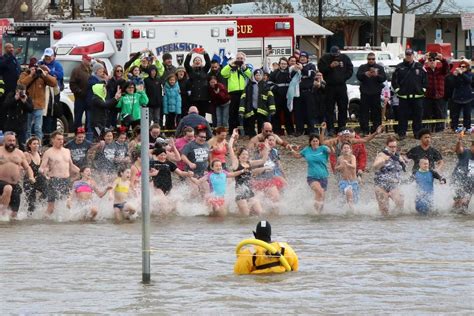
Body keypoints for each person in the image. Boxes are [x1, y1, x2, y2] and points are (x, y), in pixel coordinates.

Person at [228, 128, 270, 216]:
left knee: (259, 212)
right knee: (245, 215)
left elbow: (263, 160)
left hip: (249, 191)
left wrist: (266, 148)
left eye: (246, 154)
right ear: (239, 156)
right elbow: (230, 147)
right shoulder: (236, 163)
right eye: (243, 154)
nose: (245, 156)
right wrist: (233, 136)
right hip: (240, 193)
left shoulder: (249, 163)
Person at [291, 124, 331, 214]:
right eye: (313, 141)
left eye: (316, 141)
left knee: (321, 196)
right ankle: (314, 212)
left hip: (324, 176)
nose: (315, 143)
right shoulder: (306, 150)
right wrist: (291, 149)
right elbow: (297, 156)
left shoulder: (323, 148)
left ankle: (318, 214)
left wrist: (323, 132)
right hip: (312, 177)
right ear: (310, 142)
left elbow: (330, 151)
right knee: (320, 192)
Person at [234, 221, 299, 274]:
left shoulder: (248, 253)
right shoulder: (284, 248)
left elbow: (239, 274)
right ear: (270, 234)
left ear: (255, 235)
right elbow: (294, 268)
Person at [39, 131, 80, 215]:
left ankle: (65, 224)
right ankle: (44, 222)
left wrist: (82, 171)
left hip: (66, 180)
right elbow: (41, 167)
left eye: (62, 139)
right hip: (54, 180)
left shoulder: (67, 151)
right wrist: (44, 172)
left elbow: (71, 166)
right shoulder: (48, 152)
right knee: (51, 208)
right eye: (58, 139)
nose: (61, 141)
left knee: (68, 204)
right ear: (53, 140)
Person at [391, 48, 427, 140]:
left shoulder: (419, 66)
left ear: (413, 55)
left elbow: (425, 79)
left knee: (418, 116)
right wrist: (398, 90)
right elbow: (394, 81)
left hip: (417, 96)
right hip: (403, 97)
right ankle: (402, 134)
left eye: (410, 55)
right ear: (405, 55)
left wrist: (423, 89)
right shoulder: (399, 67)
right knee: (402, 116)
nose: (408, 56)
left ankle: (417, 133)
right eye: (407, 55)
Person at [317, 46, 353, 135]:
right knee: (329, 109)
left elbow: (350, 69)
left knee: (343, 108)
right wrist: (330, 66)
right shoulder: (325, 58)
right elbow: (321, 69)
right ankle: (331, 129)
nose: (335, 57)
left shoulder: (344, 58)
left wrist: (344, 77)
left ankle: (342, 128)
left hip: (341, 86)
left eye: (337, 55)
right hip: (330, 86)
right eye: (334, 55)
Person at [18, 62, 58, 142]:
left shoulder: (41, 75)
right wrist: (30, 75)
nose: (34, 70)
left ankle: (38, 145)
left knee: (38, 128)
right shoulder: (24, 74)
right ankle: (27, 145)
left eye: (35, 68)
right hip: (28, 105)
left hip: (39, 105)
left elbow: (54, 83)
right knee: (27, 128)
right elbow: (21, 84)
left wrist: (45, 74)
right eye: (32, 68)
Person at [0, 132, 35, 218]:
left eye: (13, 141)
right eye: (9, 141)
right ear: (4, 141)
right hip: (1, 182)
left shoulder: (19, 153)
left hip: (15, 184)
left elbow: (27, 168)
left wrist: (31, 176)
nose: (11, 142)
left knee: (14, 214)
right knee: (8, 188)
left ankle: (10, 228)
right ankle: (2, 215)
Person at [150, 147, 193, 215]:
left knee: (171, 205)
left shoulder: (169, 164)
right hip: (157, 186)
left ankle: (160, 217)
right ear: (157, 155)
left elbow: (181, 173)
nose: (163, 156)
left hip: (168, 186)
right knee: (164, 204)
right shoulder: (152, 163)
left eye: (164, 155)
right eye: (161, 155)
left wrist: (188, 173)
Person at [372, 136, 406, 215]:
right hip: (381, 185)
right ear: (387, 146)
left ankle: (394, 219)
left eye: (394, 147)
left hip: (394, 185)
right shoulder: (382, 155)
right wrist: (383, 161)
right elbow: (374, 166)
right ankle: (384, 223)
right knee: (384, 209)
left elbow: (403, 166)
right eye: (391, 147)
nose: (393, 149)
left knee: (400, 201)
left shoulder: (398, 156)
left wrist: (403, 161)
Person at [356, 52, 387, 135]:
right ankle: (364, 130)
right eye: (369, 59)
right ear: (367, 59)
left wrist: (377, 75)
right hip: (365, 94)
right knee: (364, 113)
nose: (371, 61)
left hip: (376, 94)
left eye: (373, 59)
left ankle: (376, 130)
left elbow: (384, 78)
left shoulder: (379, 67)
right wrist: (365, 74)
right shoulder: (363, 67)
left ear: (375, 59)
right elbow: (358, 76)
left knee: (376, 113)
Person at [239, 69, 276, 137]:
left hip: (262, 109)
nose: (258, 77)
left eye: (259, 75)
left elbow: (270, 97)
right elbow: (243, 98)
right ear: (253, 76)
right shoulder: (249, 86)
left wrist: (272, 109)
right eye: (256, 75)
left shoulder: (265, 85)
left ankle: (261, 136)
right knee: (251, 123)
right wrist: (241, 110)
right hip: (251, 108)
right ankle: (252, 137)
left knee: (261, 123)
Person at [221, 52, 252, 131]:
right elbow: (223, 73)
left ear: (244, 60)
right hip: (233, 93)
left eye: (241, 58)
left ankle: (247, 130)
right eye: (238, 58)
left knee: (245, 111)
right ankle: (232, 130)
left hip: (244, 92)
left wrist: (244, 68)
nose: (239, 60)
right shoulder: (231, 68)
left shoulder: (247, 68)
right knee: (233, 112)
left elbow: (251, 75)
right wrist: (231, 65)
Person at [420, 52, 449, 132]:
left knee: (439, 114)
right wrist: (423, 58)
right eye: (430, 60)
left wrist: (442, 59)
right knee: (426, 114)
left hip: (439, 96)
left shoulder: (441, 71)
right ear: (428, 62)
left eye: (434, 60)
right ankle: (426, 130)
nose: (432, 61)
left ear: (436, 62)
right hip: (428, 97)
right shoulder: (425, 71)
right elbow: (417, 67)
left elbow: (447, 67)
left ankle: (439, 130)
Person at [181, 128, 211, 195]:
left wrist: (210, 166)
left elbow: (208, 156)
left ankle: (204, 205)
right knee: (195, 191)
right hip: (191, 173)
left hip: (202, 173)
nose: (203, 138)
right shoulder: (190, 145)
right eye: (201, 137)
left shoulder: (206, 144)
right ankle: (190, 204)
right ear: (196, 136)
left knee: (206, 189)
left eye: (204, 137)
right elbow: (182, 156)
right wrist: (190, 163)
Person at [268, 57, 293, 135]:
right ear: (279, 64)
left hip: (287, 97)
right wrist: (275, 88)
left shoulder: (290, 73)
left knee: (288, 115)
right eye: (282, 64)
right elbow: (269, 83)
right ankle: (277, 131)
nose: (283, 65)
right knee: (276, 115)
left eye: (285, 64)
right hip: (277, 97)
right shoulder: (275, 73)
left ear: (287, 64)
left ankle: (290, 131)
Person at [294, 51, 317, 136]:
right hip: (298, 92)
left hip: (308, 92)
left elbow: (312, 74)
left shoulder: (311, 66)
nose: (302, 58)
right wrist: (295, 70)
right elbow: (291, 77)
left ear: (307, 58)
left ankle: (311, 130)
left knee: (310, 112)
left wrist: (302, 69)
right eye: (301, 57)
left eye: (304, 57)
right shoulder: (296, 66)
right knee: (298, 112)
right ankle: (299, 130)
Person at [23, 136, 47, 216]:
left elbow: (44, 168)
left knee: (47, 191)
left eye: (37, 144)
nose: (36, 145)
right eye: (34, 144)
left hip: (39, 179)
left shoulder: (40, 154)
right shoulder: (26, 154)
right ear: (29, 145)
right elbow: (24, 166)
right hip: (28, 180)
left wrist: (46, 175)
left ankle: (38, 203)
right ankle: (29, 219)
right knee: (31, 204)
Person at [184, 48, 211, 116]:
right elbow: (186, 64)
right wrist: (190, 54)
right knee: (194, 114)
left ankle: (202, 126)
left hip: (203, 97)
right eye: (195, 60)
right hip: (194, 98)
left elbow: (208, 63)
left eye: (199, 60)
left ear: (201, 62)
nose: (197, 61)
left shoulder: (204, 70)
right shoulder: (191, 71)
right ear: (193, 63)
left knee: (202, 114)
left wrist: (205, 54)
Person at [451, 133, 473, 213]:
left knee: (464, 206)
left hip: (470, 185)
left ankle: (456, 216)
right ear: (472, 146)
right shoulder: (466, 152)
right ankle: (452, 214)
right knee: (460, 202)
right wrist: (459, 141)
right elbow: (458, 150)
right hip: (458, 182)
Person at [69, 54, 92, 131]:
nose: (89, 61)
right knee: (78, 118)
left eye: (90, 59)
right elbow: (72, 83)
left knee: (89, 118)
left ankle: (88, 134)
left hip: (90, 98)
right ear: (83, 59)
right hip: (80, 98)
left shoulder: (91, 69)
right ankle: (77, 134)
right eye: (88, 59)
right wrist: (79, 92)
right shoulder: (76, 70)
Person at [335, 142, 359, 211]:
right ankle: (351, 211)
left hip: (353, 182)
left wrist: (347, 164)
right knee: (349, 192)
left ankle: (347, 210)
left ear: (350, 150)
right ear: (342, 150)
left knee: (353, 200)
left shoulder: (352, 157)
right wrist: (340, 166)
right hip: (344, 182)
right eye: (344, 148)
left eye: (347, 148)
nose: (346, 149)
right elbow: (335, 168)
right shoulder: (340, 158)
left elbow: (354, 166)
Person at [450, 60, 472, 132]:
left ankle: (467, 127)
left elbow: (469, 81)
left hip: (467, 97)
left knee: (467, 114)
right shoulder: (457, 74)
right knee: (455, 114)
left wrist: (462, 73)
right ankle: (454, 127)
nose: (462, 68)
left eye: (463, 66)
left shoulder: (470, 74)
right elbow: (454, 84)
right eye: (460, 66)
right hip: (457, 97)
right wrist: (455, 76)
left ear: (467, 67)